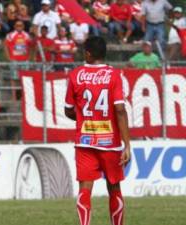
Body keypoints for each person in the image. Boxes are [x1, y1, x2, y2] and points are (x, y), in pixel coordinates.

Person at [64, 36, 131, 225]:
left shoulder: (76, 74)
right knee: (114, 188)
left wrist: (85, 119)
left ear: (88, 53)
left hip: (84, 141)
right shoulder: (114, 74)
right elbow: (120, 109)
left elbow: (68, 109)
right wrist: (127, 144)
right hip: (110, 143)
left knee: (85, 189)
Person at [4, 20, 32, 100]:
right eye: (17, 25)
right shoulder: (10, 35)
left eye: (20, 25)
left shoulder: (27, 35)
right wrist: (8, 57)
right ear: (15, 26)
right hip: (14, 60)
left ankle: (24, 97)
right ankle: (14, 97)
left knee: (25, 79)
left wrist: (29, 57)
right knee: (14, 79)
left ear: (23, 26)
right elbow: (5, 46)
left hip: (24, 60)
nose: (19, 27)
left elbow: (31, 46)